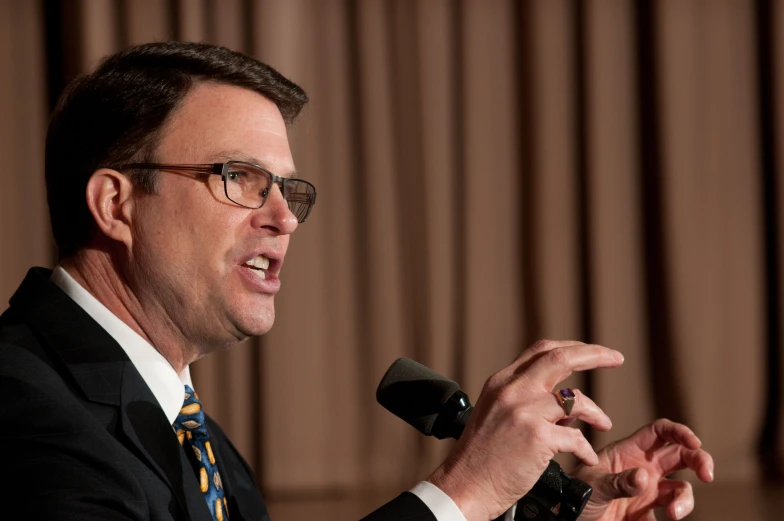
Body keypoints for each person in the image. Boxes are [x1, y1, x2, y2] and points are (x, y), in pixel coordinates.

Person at [0, 41, 713, 521]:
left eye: (288, 188)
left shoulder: (194, 434)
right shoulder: (21, 409)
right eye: (241, 178)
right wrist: (463, 490)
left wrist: (553, 507)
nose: (285, 216)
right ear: (115, 204)